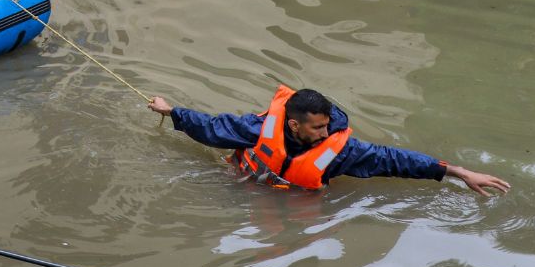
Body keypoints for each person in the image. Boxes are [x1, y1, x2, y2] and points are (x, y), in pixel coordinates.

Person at [146, 85, 511, 196]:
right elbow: (211, 127)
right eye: (318, 129)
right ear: (292, 125)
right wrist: (171, 112)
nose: (326, 134)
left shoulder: (340, 150)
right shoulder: (259, 129)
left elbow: (395, 160)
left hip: (296, 203)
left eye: (327, 126)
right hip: (242, 183)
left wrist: (459, 172)